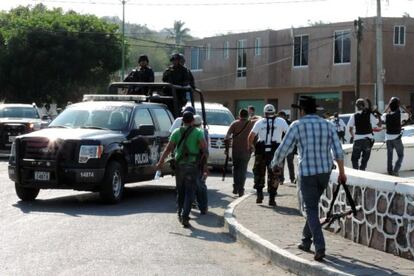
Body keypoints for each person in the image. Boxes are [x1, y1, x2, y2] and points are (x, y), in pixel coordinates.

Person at [271, 96, 346, 262]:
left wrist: (274, 163)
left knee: (311, 209)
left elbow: (284, 148)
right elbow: (338, 150)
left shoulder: (297, 125)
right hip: (325, 173)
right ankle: (306, 241)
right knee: (313, 206)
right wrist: (342, 172)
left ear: (302, 110)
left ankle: (320, 247)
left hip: (307, 173)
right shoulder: (328, 124)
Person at [156, 111, 208, 228]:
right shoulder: (198, 132)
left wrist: (160, 162)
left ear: (182, 121)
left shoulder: (176, 132)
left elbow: (168, 149)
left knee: (181, 191)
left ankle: (180, 213)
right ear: (193, 121)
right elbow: (205, 151)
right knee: (190, 192)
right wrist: (205, 165)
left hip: (179, 166)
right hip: (192, 166)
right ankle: (185, 216)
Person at [247, 104, 289, 206]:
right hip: (275, 153)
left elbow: (251, 137)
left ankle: (259, 194)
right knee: (274, 175)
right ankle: (272, 199)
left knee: (259, 173)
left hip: (261, 152)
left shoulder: (259, 122)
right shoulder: (281, 121)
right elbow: (288, 134)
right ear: (274, 112)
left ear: (264, 113)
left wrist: (251, 147)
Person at [225, 108, 255, 197]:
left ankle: (235, 186)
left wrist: (226, 149)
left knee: (235, 168)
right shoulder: (251, 124)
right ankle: (241, 189)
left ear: (239, 115)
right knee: (243, 170)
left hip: (236, 150)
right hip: (247, 150)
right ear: (247, 116)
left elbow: (226, 137)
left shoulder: (234, 123)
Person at [381, 97, 411, 176]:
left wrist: (388, 107)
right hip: (397, 138)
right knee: (400, 155)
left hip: (388, 138)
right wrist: (401, 106)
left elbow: (381, 116)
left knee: (389, 156)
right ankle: (396, 170)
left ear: (390, 106)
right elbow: (409, 114)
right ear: (398, 106)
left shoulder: (386, 115)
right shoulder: (400, 115)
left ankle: (390, 171)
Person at [348, 98, 380, 170]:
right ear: (364, 105)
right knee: (365, 159)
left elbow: (350, 129)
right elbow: (379, 124)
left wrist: (354, 137)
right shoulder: (369, 114)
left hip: (358, 140)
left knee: (354, 159)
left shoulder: (354, 116)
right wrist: (378, 115)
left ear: (356, 106)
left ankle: (356, 173)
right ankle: (362, 171)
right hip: (368, 141)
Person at [193, 114, 209, 213]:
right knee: (200, 184)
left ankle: (201, 205)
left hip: (196, 161)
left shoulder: (200, 133)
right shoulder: (203, 132)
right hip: (200, 162)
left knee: (198, 184)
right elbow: (206, 150)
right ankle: (202, 206)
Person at [278, 111, 296, 184]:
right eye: (279, 117)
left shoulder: (290, 123)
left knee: (290, 163)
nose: (281, 118)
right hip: (281, 146)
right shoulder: (277, 124)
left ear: (285, 116)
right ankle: (281, 179)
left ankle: (292, 178)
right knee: (281, 163)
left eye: (282, 116)